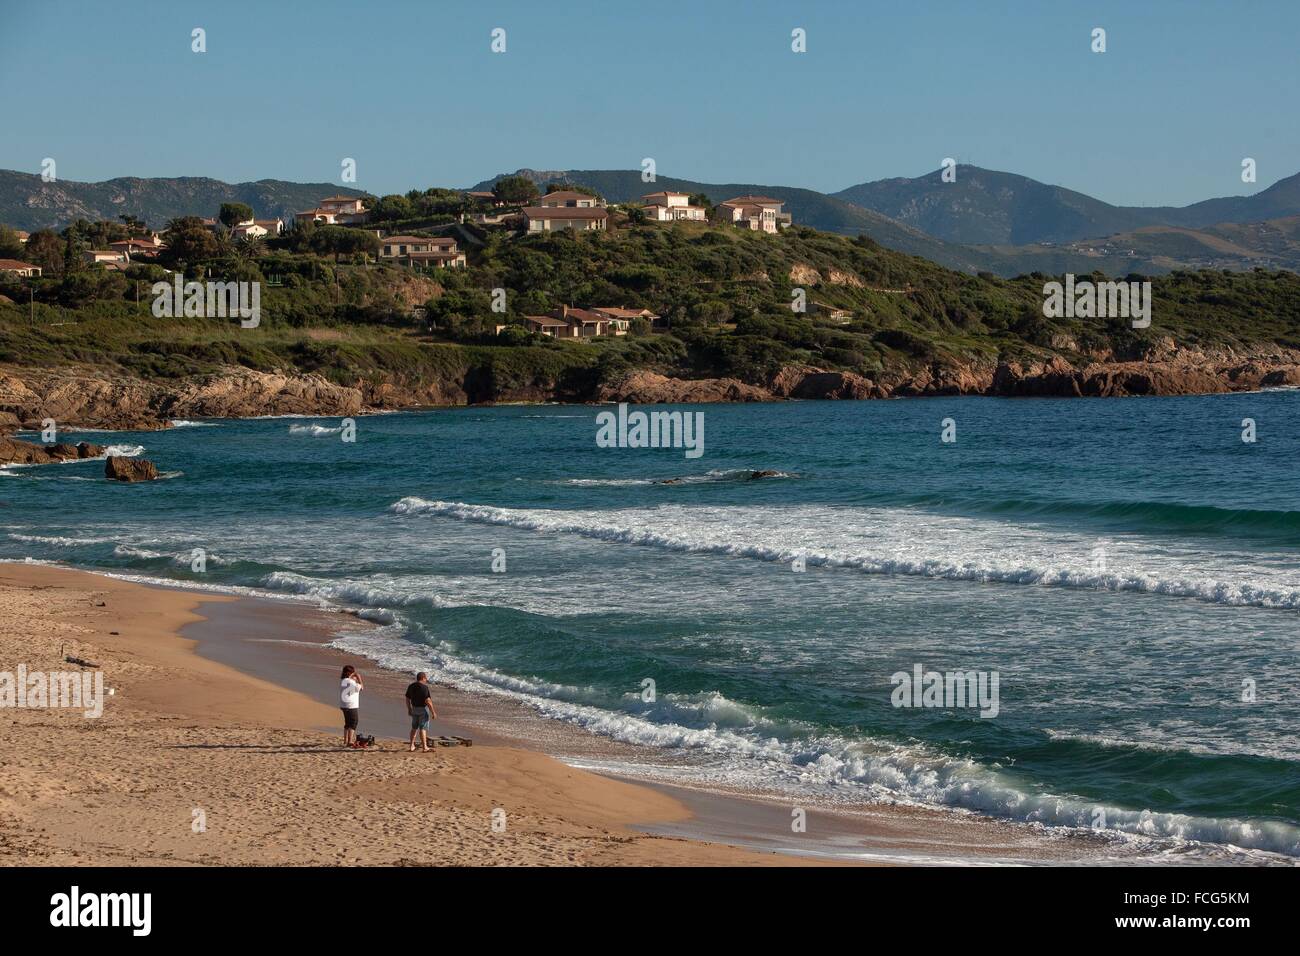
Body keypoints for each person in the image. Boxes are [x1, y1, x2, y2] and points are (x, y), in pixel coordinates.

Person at [404, 672, 437, 752]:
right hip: (423, 709)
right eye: (426, 678)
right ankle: (424, 747)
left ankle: (411, 745)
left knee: (414, 728)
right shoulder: (424, 688)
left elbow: (407, 698)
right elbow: (428, 701)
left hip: (414, 709)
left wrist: (409, 709)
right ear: (423, 678)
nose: (426, 680)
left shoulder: (411, 686)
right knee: (423, 728)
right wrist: (433, 712)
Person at [340, 665, 363, 748]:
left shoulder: (343, 681)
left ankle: (345, 740)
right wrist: (359, 678)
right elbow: (361, 688)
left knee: (347, 723)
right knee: (353, 722)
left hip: (343, 704)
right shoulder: (351, 682)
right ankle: (349, 741)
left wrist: (353, 679)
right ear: (350, 673)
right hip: (351, 705)